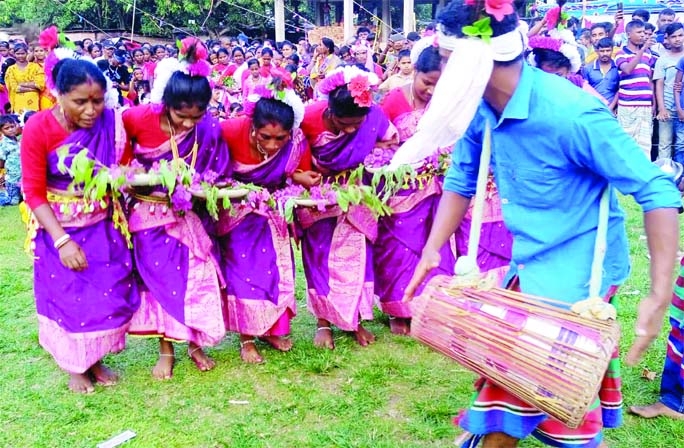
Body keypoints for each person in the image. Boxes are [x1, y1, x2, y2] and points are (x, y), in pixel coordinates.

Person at [401, 1, 681, 447]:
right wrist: (432, 251)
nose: (441, 71)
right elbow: (460, 179)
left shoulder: (572, 114)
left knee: (513, 396)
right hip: (526, 267)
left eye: (446, 59)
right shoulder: (481, 107)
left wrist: (657, 295)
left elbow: (658, 192)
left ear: (471, 61)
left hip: (575, 282)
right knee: (542, 398)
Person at [20, 58, 139, 393]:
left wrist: (128, 179)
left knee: (104, 295)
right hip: (58, 228)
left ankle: (95, 359)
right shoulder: (38, 128)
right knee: (68, 298)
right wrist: (61, 241)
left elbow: (124, 167)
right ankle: (74, 366)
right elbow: (33, 191)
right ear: (58, 95)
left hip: (101, 224)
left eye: (98, 101)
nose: (91, 110)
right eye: (80, 102)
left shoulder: (111, 125)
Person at [123, 37, 231, 380]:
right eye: (180, 116)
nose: (187, 125)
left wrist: (204, 190)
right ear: (164, 103)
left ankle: (195, 343)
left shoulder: (209, 128)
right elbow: (118, 163)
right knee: (159, 283)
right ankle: (166, 350)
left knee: (196, 278)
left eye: (195, 117)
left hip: (190, 215)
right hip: (148, 215)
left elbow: (218, 171)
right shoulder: (136, 119)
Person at [299, 66, 398, 349]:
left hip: (357, 192)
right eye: (345, 123)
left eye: (358, 123)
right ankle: (323, 322)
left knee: (357, 257)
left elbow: (390, 141)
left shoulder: (374, 115)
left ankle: (356, 320)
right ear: (329, 111)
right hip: (316, 195)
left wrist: (369, 164)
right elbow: (293, 154)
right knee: (318, 256)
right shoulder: (307, 118)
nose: (352, 129)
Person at [219, 75, 312, 363]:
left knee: (277, 272)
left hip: (273, 213)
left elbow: (295, 171)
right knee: (243, 273)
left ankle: (272, 329)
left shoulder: (297, 141)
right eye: (265, 137)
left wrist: (300, 176)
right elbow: (214, 169)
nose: (273, 145)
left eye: (280, 138)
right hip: (238, 215)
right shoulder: (230, 130)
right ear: (252, 127)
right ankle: (246, 338)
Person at [374, 46, 461, 335]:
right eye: (428, 82)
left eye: (441, 85)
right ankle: (398, 309)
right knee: (398, 246)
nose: (433, 91)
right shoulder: (394, 100)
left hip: (438, 188)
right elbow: (379, 145)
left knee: (435, 246)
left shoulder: (449, 103)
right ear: (415, 71)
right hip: (400, 190)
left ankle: (432, 307)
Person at [616, 20, 657, 159]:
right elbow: (627, 69)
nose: (642, 36)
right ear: (628, 34)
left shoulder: (648, 55)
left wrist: (654, 104)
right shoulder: (621, 53)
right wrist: (643, 49)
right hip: (627, 105)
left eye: (644, 33)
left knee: (645, 147)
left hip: (645, 106)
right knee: (626, 145)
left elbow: (650, 80)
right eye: (639, 32)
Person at [654, 23, 684, 161]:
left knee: (681, 143)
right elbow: (659, 84)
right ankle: (664, 177)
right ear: (667, 38)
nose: (677, 39)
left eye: (680, 35)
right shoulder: (662, 59)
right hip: (668, 106)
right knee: (664, 144)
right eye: (674, 37)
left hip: (683, 106)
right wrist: (662, 108)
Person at [5, 43, 45, 113]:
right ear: (14, 54)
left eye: (22, 53)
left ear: (27, 53)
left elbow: (40, 84)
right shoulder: (11, 69)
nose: (20, 56)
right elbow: (14, 88)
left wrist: (21, 84)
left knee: (33, 121)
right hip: (19, 101)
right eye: (18, 54)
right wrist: (32, 87)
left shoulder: (35, 67)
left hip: (33, 101)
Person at [582, 37, 620, 112]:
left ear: (612, 50)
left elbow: (619, 89)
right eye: (602, 51)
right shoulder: (588, 68)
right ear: (597, 51)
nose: (605, 53)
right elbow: (585, 90)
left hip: (613, 109)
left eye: (608, 50)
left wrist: (611, 107)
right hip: (593, 108)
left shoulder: (618, 68)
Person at [0, 115, 21, 206]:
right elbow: (1, 161)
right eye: (6, 128)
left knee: (25, 198)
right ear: (1, 131)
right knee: (13, 201)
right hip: (12, 178)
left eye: (12, 126)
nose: (11, 129)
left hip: (22, 176)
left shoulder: (17, 139)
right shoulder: (4, 144)